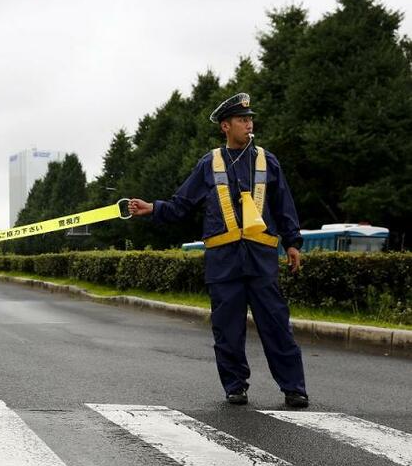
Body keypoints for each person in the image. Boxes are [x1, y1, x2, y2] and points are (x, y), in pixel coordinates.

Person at [128, 93, 309, 408]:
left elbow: (284, 205)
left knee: (276, 325)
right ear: (226, 126)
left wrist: (293, 243)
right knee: (227, 330)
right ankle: (235, 386)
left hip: (261, 259)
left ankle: (294, 388)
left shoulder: (268, 161)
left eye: (250, 119)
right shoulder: (209, 163)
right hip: (223, 263)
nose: (248, 124)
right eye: (242, 120)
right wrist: (152, 209)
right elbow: (181, 205)